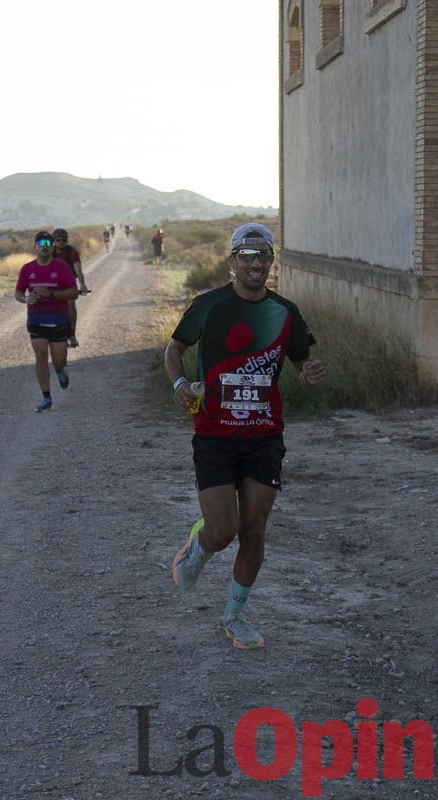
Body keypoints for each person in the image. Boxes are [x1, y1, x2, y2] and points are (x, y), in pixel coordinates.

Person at [164, 223, 326, 650]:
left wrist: (307, 373)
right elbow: (174, 349)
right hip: (214, 433)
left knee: (254, 528)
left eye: (264, 255)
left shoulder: (285, 311)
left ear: (272, 262)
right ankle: (198, 547)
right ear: (232, 262)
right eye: (247, 255)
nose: (256, 263)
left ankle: (235, 617)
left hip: (264, 436)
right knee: (223, 531)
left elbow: (301, 361)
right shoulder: (208, 306)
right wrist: (179, 384)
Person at [15, 231, 80, 411]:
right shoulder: (27, 269)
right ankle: (46, 397)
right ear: (35, 246)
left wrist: (51, 293)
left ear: (52, 247)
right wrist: (26, 299)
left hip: (59, 320)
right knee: (41, 356)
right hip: (36, 319)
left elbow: (73, 293)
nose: (45, 246)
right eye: (41, 243)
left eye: (48, 244)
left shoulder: (61, 268)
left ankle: (59, 371)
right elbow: (18, 293)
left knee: (59, 361)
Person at [51, 228, 88, 348]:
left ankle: (72, 334)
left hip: (69, 281)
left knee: (71, 305)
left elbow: (78, 268)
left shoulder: (71, 251)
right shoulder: (50, 252)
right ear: (54, 241)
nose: (61, 242)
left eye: (64, 240)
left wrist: (82, 284)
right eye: (58, 240)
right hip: (53, 283)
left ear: (67, 240)